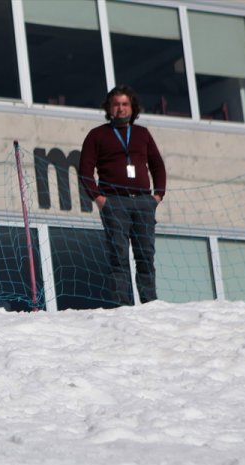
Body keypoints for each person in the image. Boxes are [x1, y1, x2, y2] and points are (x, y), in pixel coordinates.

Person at [78, 85, 167, 306]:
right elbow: (85, 170)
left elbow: (157, 165)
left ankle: (150, 303)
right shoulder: (97, 134)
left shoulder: (142, 134)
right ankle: (123, 306)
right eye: (116, 104)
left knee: (146, 256)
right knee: (118, 257)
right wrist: (99, 199)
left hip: (143, 202)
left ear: (132, 107)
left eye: (125, 104)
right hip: (114, 202)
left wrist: (158, 196)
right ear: (109, 108)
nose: (120, 108)